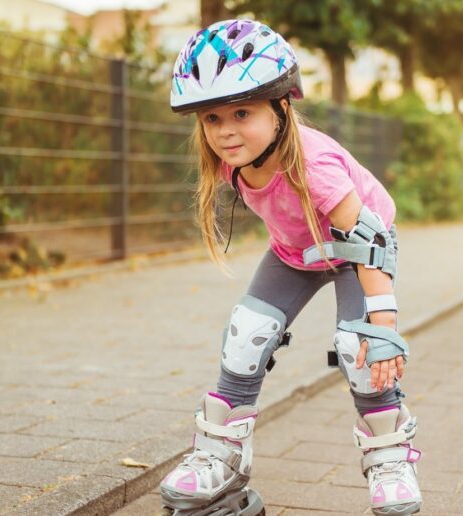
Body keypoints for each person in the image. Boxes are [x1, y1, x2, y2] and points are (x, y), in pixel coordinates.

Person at [157, 19, 422, 516]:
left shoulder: (313, 165)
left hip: (355, 251)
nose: (226, 130)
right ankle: (220, 454)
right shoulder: (230, 161)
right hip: (296, 252)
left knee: (357, 348)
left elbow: (369, 239)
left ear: (282, 107)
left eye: (241, 111)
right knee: (246, 334)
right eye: (212, 118)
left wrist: (382, 324)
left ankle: (390, 459)